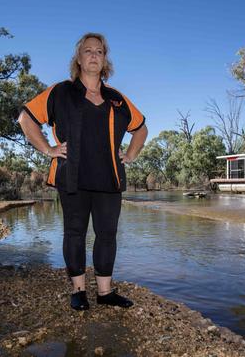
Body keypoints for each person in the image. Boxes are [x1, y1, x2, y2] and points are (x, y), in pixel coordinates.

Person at [17, 33, 148, 311]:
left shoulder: (117, 99)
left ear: (104, 60)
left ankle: (104, 292)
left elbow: (141, 128)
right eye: (87, 51)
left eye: (98, 52)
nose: (93, 55)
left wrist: (131, 154)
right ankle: (78, 290)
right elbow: (25, 118)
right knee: (74, 233)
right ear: (78, 58)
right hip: (72, 177)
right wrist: (48, 149)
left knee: (107, 234)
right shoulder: (60, 92)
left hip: (109, 178)